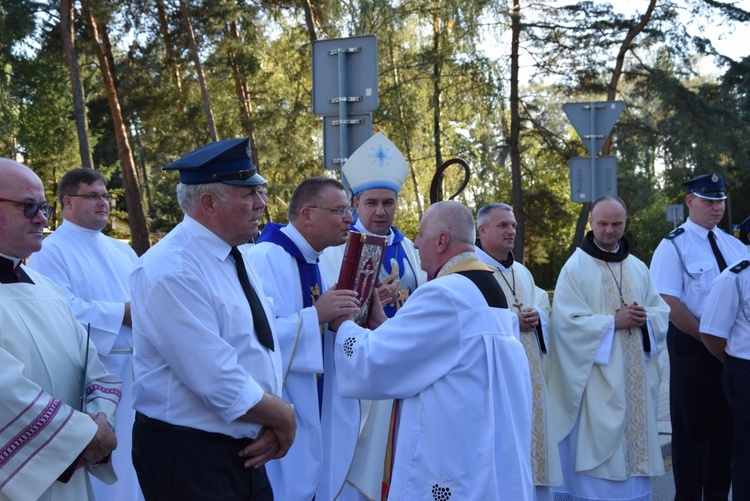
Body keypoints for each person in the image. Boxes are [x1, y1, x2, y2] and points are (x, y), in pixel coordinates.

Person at [330, 200, 534, 500]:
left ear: (441, 241)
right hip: (486, 448)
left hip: (452, 455)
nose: (415, 241)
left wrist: (344, 325)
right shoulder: (488, 286)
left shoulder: (443, 293)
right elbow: (437, 351)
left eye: (422, 233)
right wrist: (383, 325)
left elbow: (375, 363)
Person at [129, 138, 295, 500]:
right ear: (208, 202)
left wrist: (269, 418)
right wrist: (282, 416)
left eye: (260, 192)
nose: (261, 204)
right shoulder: (171, 269)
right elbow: (216, 377)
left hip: (240, 446)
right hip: (191, 454)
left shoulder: (236, 254)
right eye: (249, 194)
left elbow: (253, 345)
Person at [0, 158, 121, 501]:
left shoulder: (47, 288)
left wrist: (100, 422)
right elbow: (5, 393)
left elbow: (97, 373)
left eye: (43, 207)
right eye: (28, 207)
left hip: (72, 473)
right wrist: (84, 437)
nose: (41, 218)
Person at [319, 132, 428, 500]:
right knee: (358, 457)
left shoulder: (412, 248)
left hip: (400, 364)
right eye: (371, 203)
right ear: (355, 204)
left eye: (388, 202)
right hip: (358, 366)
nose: (380, 211)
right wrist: (365, 303)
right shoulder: (337, 249)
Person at [27, 168, 141, 501]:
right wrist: (122, 312)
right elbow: (60, 310)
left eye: (107, 196)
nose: (104, 202)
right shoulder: (50, 250)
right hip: (96, 380)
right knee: (111, 471)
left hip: (138, 373)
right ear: (67, 202)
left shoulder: (123, 250)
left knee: (138, 468)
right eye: (93, 196)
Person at [246, 177, 362, 500]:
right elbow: (253, 341)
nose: (350, 220)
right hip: (278, 411)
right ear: (307, 215)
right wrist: (316, 316)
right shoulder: (266, 257)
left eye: (348, 211)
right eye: (339, 211)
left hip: (312, 402)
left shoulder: (313, 260)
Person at [548, 195, 669, 501]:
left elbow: (660, 311)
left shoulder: (638, 267)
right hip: (597, 380)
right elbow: (565, 323)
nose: (610, 230)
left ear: (626, 222)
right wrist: (612, 323)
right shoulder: (575, 268)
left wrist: (645, 319)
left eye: (617, 223)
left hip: (635, 381)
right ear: (591, 223)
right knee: (601, 446)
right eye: (602, 223)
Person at [650, 173, 746, 500]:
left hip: (730, 355)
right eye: (708, 200)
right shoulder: (673, 246)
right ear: (690, 202)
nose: (716, 207)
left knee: (725, 435)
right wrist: (708, 339)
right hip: (692, 351)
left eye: (719, 200)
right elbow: (668, 301)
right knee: (691, 438)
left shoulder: (734, 245)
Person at [475, 202, 562, 500]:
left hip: (530, 379)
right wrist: (514, 322)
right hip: (496, 383)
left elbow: (542, 307)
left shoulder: (522, 272)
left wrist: (537, 317)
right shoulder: (472, 272)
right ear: (482, 229)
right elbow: (473, 321)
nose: (511, 231)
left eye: (512, 225)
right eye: (503, 225)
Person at [699, 252, 750, 500]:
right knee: (747, 455)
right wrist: (733, 364)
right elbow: (711, 332)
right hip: (745, 374)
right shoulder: (734, 278)